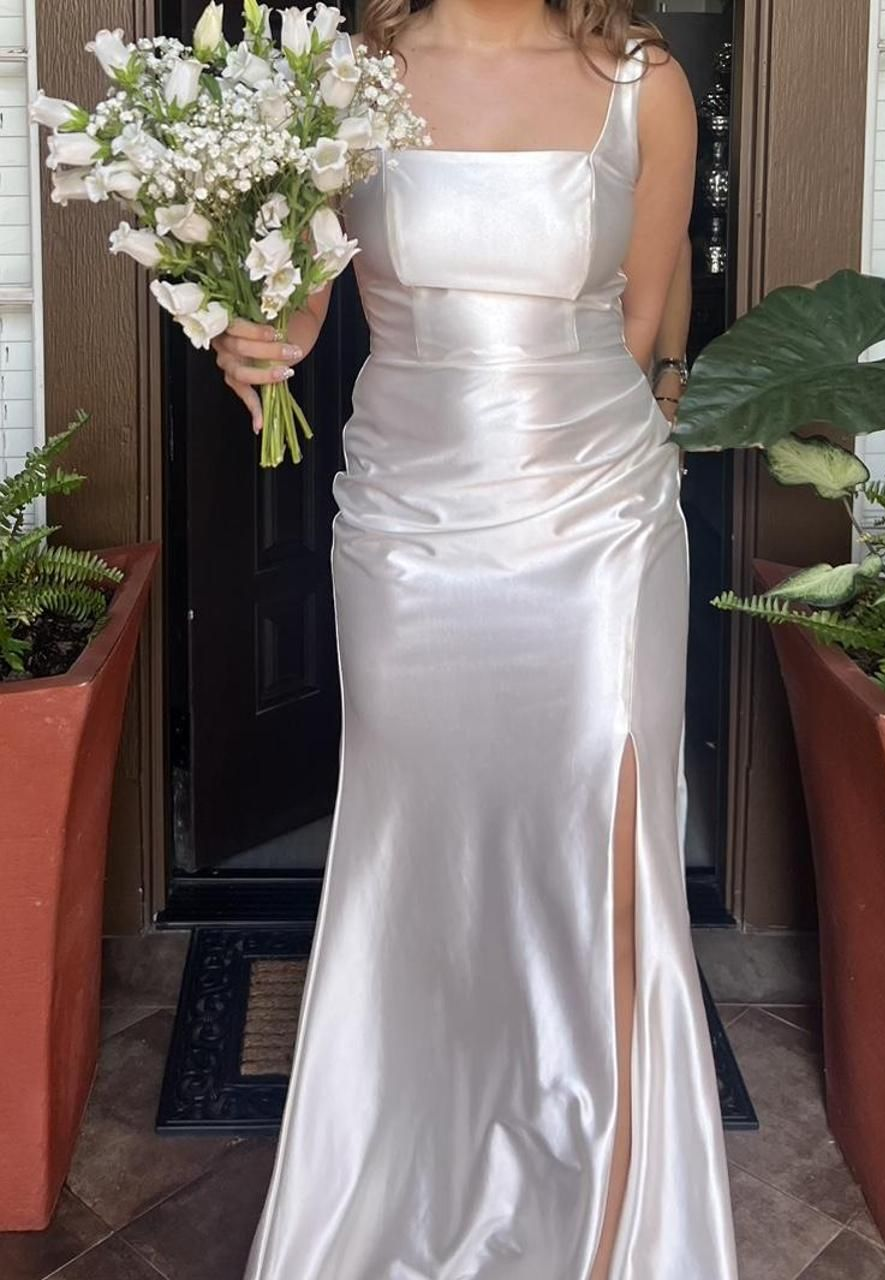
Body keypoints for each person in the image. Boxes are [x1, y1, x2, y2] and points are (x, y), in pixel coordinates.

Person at [214, 2, 738, 1276]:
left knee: (594, 856)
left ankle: (606, 1210)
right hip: (407, 533)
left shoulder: (644, 84)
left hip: (596, 529)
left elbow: (639, 326)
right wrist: (252, 338)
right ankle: (407, 1183)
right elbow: (303, 309)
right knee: (424, 859)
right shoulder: (346, 79)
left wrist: (563, 452)